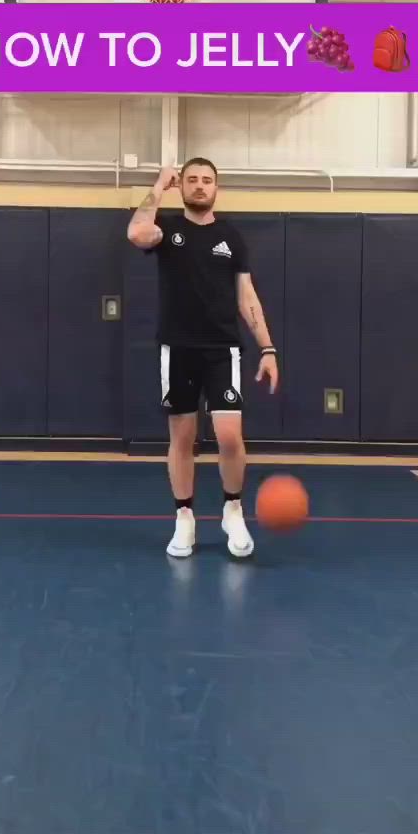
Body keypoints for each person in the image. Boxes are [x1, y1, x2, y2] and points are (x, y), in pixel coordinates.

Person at [127, 157, 279, 558]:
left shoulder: (232, 238)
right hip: (177, 349)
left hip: (222, 349)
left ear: (216, 188)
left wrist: (267, 348)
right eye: (191, 179)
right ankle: (184, 519)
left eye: (206, 180)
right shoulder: (168, 231)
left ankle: (232, 509)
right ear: (182, 187)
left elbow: (247, 298)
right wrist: (159, 184)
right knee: (183, 438)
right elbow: (137, 232)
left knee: (230, 437)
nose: (199, 185)